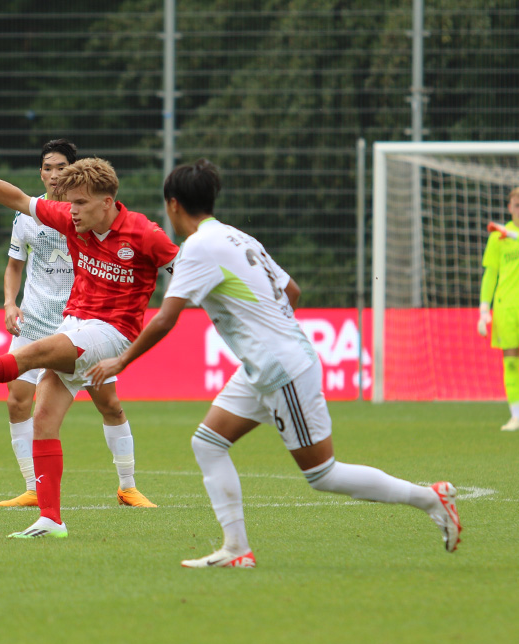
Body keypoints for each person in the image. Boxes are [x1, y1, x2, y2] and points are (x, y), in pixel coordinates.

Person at [87, 159, 462, 567]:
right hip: (264, 366)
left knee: (323, 475)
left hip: (281, 368)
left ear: (173, 205)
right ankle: (236, 549)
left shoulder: (197, 247)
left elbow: (166, 316)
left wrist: (121, 360)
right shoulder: (237, 237)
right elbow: (293, 291)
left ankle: (430, 497)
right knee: (208, 444)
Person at [0, 150, 179, 539]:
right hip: (76, 324)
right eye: (70, 203)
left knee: (31, 356)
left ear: (107, 203)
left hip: (112, 333)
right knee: (43, 419)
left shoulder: (145, 233)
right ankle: (51, 519)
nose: (71, 212)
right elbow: (18, 199)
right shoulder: (71, 218)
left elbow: (187, 275)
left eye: (80, 203)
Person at [0, 138, 156, 509]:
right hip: (35, 323)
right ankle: (34, 489)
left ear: (71, 173)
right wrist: (9, 302)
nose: (52, 175)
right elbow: (13, 266)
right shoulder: (27, 217)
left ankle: (128, 486)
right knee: (17, 401)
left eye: (59, 168)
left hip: (82, 326)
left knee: (110, 405)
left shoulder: (86, 215)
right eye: (46, 167)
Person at [478, 187, 519, 431]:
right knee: (512, 362)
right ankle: (516, 414)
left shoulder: (507, 235)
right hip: (507, 308)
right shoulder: (498, 238)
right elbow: (490, 274)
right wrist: (484, 309)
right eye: (517, 205)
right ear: (509, 207)